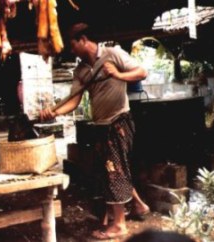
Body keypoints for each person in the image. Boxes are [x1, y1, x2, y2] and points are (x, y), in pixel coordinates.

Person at [40, 22, 150, 240]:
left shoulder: (113, 54)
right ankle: (139, 206)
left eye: (72, 45)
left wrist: (118, 74)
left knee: (114, 171)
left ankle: (119, 225)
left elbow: (142, 72)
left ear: (83, 40)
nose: (71, 51)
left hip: (119, 121)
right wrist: (54, 113)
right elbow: (73, 101)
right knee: (114, 169)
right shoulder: (81, 70)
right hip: (100, 126)